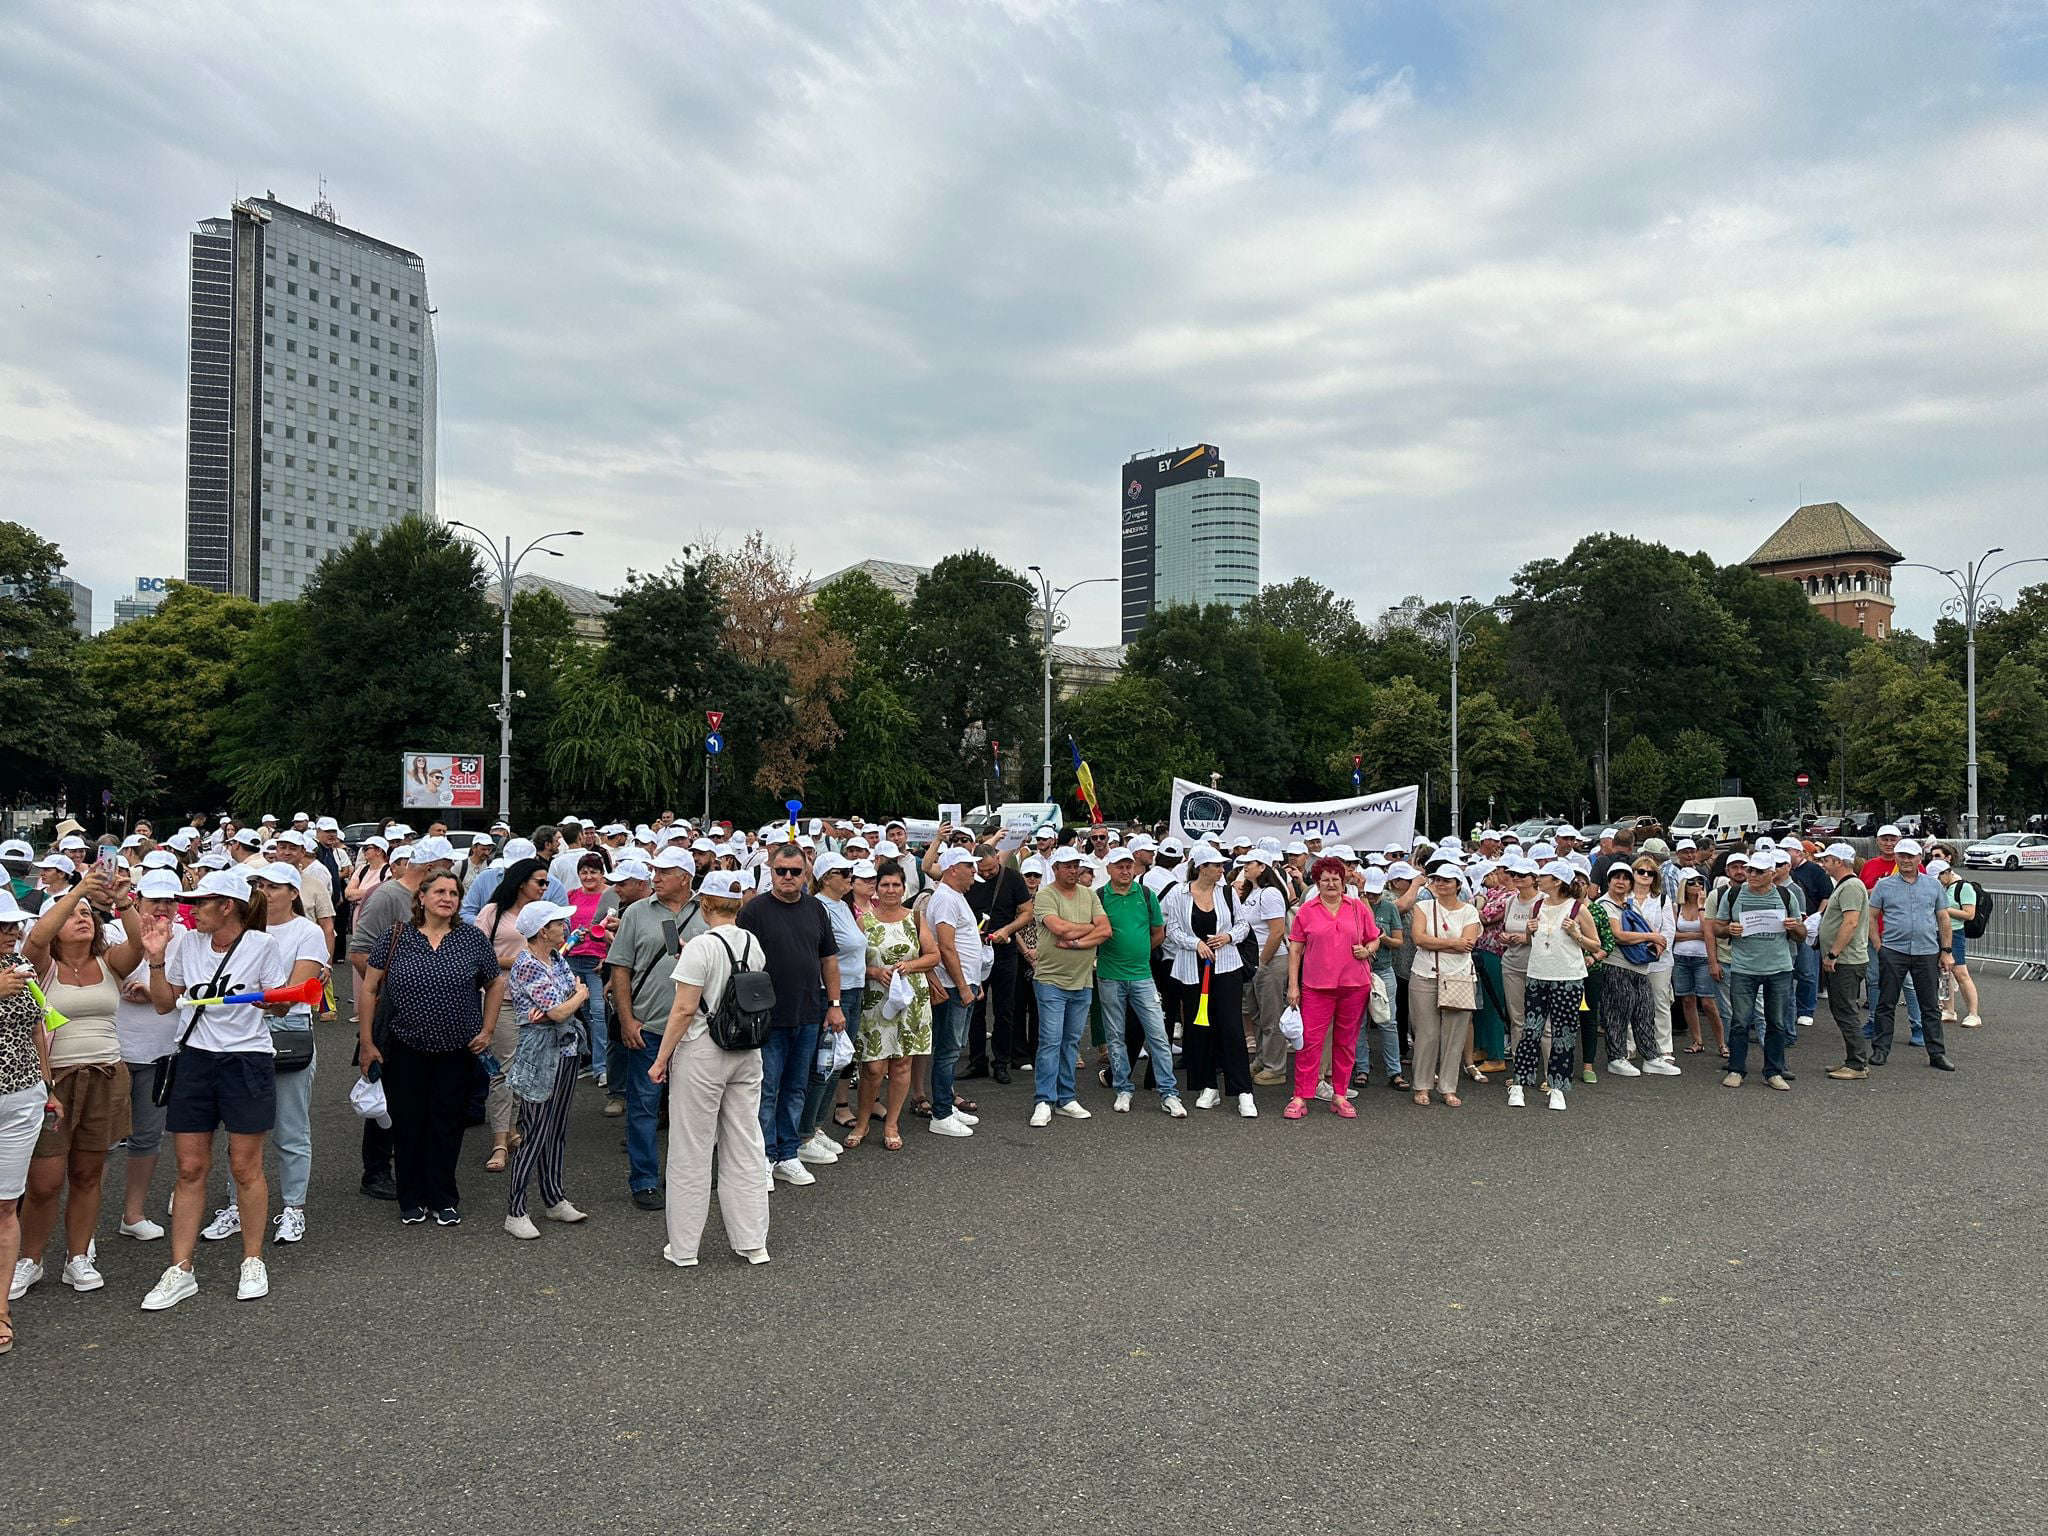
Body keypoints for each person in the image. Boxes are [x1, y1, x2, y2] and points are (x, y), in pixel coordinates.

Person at [133, 870, 290, 1310]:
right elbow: (166, 1003)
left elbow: (278, 1004)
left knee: (245, 1166)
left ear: (227, 906)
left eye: (201, 903)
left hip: (247, 1060)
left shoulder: (262, 945)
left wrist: (271, 1000)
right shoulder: (185, 944)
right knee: (189, 1167)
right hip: (195, 1059)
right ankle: (180, 1269)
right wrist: (157, 958)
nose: (190, 910)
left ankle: (253, 1259)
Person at [9, 871, 144, 1300]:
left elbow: (140, 946)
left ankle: (77, 1256)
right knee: (45, 1180)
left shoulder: (109, 963)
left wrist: (124, 903)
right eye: (73, 915)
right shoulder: (41, 965)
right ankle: (30, 1258)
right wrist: (78, 892)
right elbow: (35, 939)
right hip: (55, 1081)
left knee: (88, 1173)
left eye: (88, 914)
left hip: (105, 1075)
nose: (82, 918)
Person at [358, 870, 507, 1225]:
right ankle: (410, 1197)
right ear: (421, 898)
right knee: (407, 1123)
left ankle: (443, 1197)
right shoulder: (396, 936)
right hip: (405, 1045)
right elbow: (369, 989)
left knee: (447, 1124)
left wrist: (487, 1029)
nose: (447, 898)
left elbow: (495, 983)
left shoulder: (472, 938)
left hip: (457, 1048)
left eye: (454, 893)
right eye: (439, 891)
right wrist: (366, 1042)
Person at [647, 871, 770, 1268]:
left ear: (704, 904)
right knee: (745, 1143)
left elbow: (684, 1009)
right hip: (747, 1050)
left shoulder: (701, 945)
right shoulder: (753, 943)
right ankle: (753, 1243)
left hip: (703, 1051)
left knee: (691, 1148)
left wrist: (661, 1058)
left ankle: (684, 1248)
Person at [207, 864, 327, 1246]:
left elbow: (292, 992)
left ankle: (294, 1208)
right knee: (240, 1127)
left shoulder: (307, 932)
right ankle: (236, 1205)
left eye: (274, 886)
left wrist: (247, 995)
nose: (265, 891)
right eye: (259, 884)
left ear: (294, 892)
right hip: (239, 1033)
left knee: (291, 1126)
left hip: (287, 1030)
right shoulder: (241, 932)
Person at [739, 843, 843, 1183]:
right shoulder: (754, 911)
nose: (787, 877)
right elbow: (742, 965)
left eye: (795, 872)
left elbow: (828, 959)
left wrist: (835, 1004)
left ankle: (788, 1153)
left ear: (806, 874)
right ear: (770, 871)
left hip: (809, 1013)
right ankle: (764, 1156)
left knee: (796, 1087)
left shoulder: (816, 909)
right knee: (767, 1090)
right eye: (780, 870)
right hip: (767, 1016)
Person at [606, 849, 703, 1210]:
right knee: (644, 1107)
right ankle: (644, 1180)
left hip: (695, 1031)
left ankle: (686, 1174)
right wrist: (627, 1019)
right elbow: (620, 968)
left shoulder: (706, 912)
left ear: (685, 877)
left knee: (691, 1108)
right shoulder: (636, 913)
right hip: (649, 1028)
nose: (656, 877)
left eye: (665, 871)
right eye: (655, 871)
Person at [502, 901, 590, 1239]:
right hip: (540, 1054)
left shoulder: (554, 958)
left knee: (557, 1128)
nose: (564, 927)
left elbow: (563, 999)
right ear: (543, 930)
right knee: (535, 1130)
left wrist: (567, 1002)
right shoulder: (527, 965)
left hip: (565, 1049)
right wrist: (575, 999)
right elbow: (558, 1008)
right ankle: (516, 1210)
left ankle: (554, 1198)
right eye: (558, 923)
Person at [1282, 855, 1379, 1120]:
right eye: (1325, 879)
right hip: (1316, 986)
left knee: (1346, 1042)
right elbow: (1295, 950)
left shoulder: (1358, 908)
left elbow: (1374, 939)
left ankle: (1340, 1094)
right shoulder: (1307, 910)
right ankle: (1300, 1095)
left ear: (1343, 880)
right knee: (1309, 1043)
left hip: (1354, 984)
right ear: (1317, 882)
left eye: (1336, 879)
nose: (1331, 884)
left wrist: (1367, 950)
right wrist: (1293, 986)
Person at [113, 873, 182, 1242]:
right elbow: (116, 968)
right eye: (155, 899)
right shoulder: (110, 930)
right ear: (138, 900)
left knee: (147, 1137)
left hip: (162, 1049)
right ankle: (84, 1230)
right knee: (100, 1142)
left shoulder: (186, 938)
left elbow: (184, 991)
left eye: (170, 900)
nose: (163, 906)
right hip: (115, 1050)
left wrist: (156, 993)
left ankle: (133, 1213)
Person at [1162, 846, 1255, 1118]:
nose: (1221, 869)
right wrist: (1195, 943)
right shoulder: (1179, 893)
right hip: (1192, 969)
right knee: (1199, 1027)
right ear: (1202, 867)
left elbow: (1242, 925)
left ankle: (1243, 1092)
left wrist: (1227, 938)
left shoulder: (1227, 893)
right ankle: (1207, 1086)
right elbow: (1174, 929)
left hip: (1226, 967)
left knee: (1231, 1026)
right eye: (1216, 865)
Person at [852, 860, 939, 1151]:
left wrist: (910, 965)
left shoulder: (915, 918)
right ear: (876, 888)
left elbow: (934, 956)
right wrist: (876, 972)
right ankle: (863, 1122)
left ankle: (892, 1124)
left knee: (902, 1064)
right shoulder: (865, 921)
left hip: (912, 999)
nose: (891, 889)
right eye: (885, 884)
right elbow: (851, 964)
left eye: (896, 885)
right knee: (874, 1068)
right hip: (876, 999)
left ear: (904, 888)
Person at [0, 896, 54, 1350]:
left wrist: (48, 1086)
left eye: (13, 925)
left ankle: (0, 1310)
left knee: (5, 1205)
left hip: (22, 1096)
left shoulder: (21, 965)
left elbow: (38, 1026)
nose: (10, 933)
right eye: (1, 926)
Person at [473, 856, 549, 1173]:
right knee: (504, 1069)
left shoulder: (541, 914)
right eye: (540, 882)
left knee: (524, 1066)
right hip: (500, 999)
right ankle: (500, 1141)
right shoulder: (493, 912)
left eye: (547, 882)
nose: (546, 888)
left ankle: (514, 1128)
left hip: (534, 1002)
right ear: (521, 883)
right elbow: (477, 952)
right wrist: (515, 961)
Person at [1094, 846, 1181, 1117]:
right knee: (1116, 1036)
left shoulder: (1146, 894)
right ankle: (1123, 1087)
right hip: (1109, 976)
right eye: (1119, 866)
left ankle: (1169, 1093)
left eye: (1129, 866)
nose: (1125, 871)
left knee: (1157, 1034)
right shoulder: (1098, 897)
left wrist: (1141, 951)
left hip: (1142, 975)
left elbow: (1158, 932)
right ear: (1108, 869)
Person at [1027, 846, 1112, 1126]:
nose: (1074, 870)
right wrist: (1088, 927)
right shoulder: (1045, 895)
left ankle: (1065, 1097)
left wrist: (1075, 939)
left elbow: (1106, 930)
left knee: (1070, 1042)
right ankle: (1044, 1099)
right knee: (1051, 1041)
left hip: (1083, 979)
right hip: (1051, 980)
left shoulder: (1089, 894)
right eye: (1068, 866)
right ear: (1055, 869)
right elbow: (1058, 928)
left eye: (1077, 865)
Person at [1713, 850, 1806, 1091]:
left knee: (1776, 1022)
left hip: (1779, 968)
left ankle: (1773, 1071)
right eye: (1749, 869)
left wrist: (1794, 927)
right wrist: (1729, 930)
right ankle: (1736, 1069)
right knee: (1740, 1021)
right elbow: (1717, 927)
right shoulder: (1734, 894)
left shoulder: (1785, 896)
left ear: (1772, 874)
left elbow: (1802, 935)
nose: (1750, 874)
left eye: (1757, 871)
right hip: (1744, 967)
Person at [795, 853, 866, 1165]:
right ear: (825, 877)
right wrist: (833, 1002)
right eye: (844, 872)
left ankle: (816, 1124)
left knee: (838, 1062)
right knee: (823, 1064)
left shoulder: (843, 905)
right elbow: (825, 955)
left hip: (853, 989)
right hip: (832, 994)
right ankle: (803, 1134)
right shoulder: (820, 906)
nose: (850, 877)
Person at [1512, 863, 1600, 1110]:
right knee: (1531, 1030)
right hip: (1538, 973)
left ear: (1558, 881)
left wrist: (1576, 934)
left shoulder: (1577, 909)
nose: (1539, 880)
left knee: (1564, 1033)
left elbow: (1596, 945)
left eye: (1544, 877)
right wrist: (1529, 932)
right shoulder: (1537, 906)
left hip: (1568, 976)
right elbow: (1534, 940)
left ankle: (1558, 1087)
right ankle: (1519, 1084)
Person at [1867, 840, 1954, 1071]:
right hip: (1893, 950)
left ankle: (1937, 1053)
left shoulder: (1932, 885)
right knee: (1886, 1002)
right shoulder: (1884, 886)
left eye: (1911, 856)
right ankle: (1880, 1049)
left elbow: (1943, 919)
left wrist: (1946, 951)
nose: (1906, 860)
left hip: (1926, 951)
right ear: (1896, 857)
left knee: (1930, 1006)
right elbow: (1871, 916)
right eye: (1901, 856)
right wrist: (1878, 946)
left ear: (1919, 859)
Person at [923, 848, 987, 1139]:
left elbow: (965, 942)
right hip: (952, 985)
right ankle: (941, 1113)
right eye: (968, 866)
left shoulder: (955, 896)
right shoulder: (946, 898)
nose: (974, 871)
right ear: (952, 869)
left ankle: (946, 1103)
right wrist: (962, 986)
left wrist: (975, 981)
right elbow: (946, 947)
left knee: (952, 1048)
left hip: (964, 982)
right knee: (948, 1051)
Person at [1408, 860, 1480, 1108]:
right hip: (1425, 974)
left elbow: (1468, 943)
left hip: (1459, 976)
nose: (1440, 883)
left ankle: (1448, 1087)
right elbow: (1418, 938)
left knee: (1454, 1034)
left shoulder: (1469, 911)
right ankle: (1422, 1085)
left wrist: (1437, 942)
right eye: (1437, 879)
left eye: (1447, 880)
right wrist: (1452, 944)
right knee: (1427, 1034)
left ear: (1458, 884)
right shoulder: (1423, 906)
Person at [1592, 864, 1673, 1080]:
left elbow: (1649, 929)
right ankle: (1616, 1057)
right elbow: (1618, 935)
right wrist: (1651, 938)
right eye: (1616, 877)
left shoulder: (1630, 905)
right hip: (1616, 966)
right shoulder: (1604, 905)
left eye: (1625, 878)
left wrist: (1657, 941)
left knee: (1644, 1012)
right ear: (1608, 881)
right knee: (1617, 1013)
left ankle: (1651, 1056)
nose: (1621, 882)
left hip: (1640, 968)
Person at [1816, 843, 1873, 1080]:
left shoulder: (1850, 886)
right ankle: (1853, 1058)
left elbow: (1850, 922)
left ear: (1839, 862)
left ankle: (1857, 1064)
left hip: (1846, 960)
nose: (1823, 864)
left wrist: (1833, 954)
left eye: (1827, 860)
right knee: (1841, 1008)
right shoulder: (1847, 885)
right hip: (1844, 959)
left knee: (1846, 1010)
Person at [561, 853, 615, 1094]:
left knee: (598, 1012)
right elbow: (564, 926)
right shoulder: (571, 895)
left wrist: (607, 956)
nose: (588, 876)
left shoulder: (610, 894)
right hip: (572, 958)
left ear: (602, 873)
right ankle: (594, 1059)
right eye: (584, 871)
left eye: (593, 871)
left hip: (596, 961)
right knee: (582, 1012)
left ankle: (602, 1067)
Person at [1669, 870, 1724, 1058]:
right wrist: (1697, 935)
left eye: (1700, 882)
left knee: (1708, 1002)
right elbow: (1672, 934)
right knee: (1687, 1000)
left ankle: (1722, 1043)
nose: (1697, 885)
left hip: (1702, 957)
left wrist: (1701, 906)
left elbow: (1708, 930)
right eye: (1692, 882)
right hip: (1681, 957)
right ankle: (1697, 1040)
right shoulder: (1676, 907)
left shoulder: (1708, 906)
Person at [1930, 859, 1981, 1031]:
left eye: (1937, 877)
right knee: (1944, 972)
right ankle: (1949, 1009)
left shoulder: (1964, 887)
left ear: (1946, 873)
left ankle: (1974, 1013)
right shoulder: (1944, 887)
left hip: (1955, 933)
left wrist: (1942, 908)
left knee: (1961, 973)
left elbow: (1969, 914)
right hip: (1938, 931)